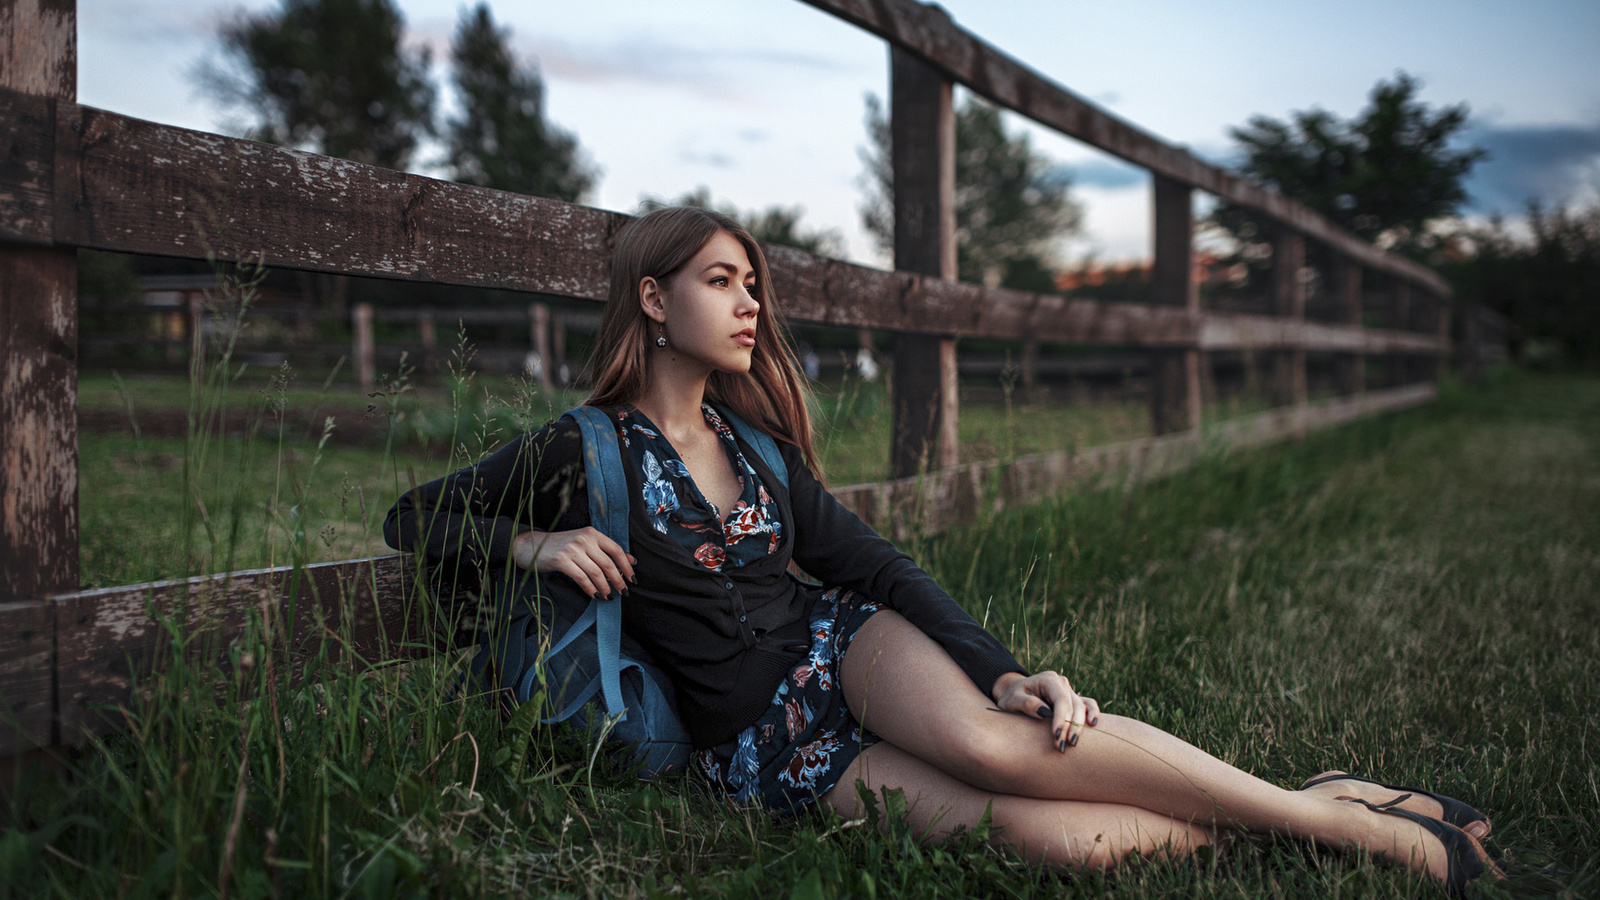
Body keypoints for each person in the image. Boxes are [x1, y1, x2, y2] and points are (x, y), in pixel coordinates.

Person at [385, 207, 1497, 890]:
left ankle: (1346, 831)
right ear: (650, 297)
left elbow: (873, 566)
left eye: (753, 285)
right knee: (1061, 848)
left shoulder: (758, 445)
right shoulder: (584, 450)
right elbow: (412, 519)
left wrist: (999, 665)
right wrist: (535, 542)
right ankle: (1323, 805)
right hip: (763, 745)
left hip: (841, 647)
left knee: (1001, 745)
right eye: (721, 281)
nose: (750, 306)